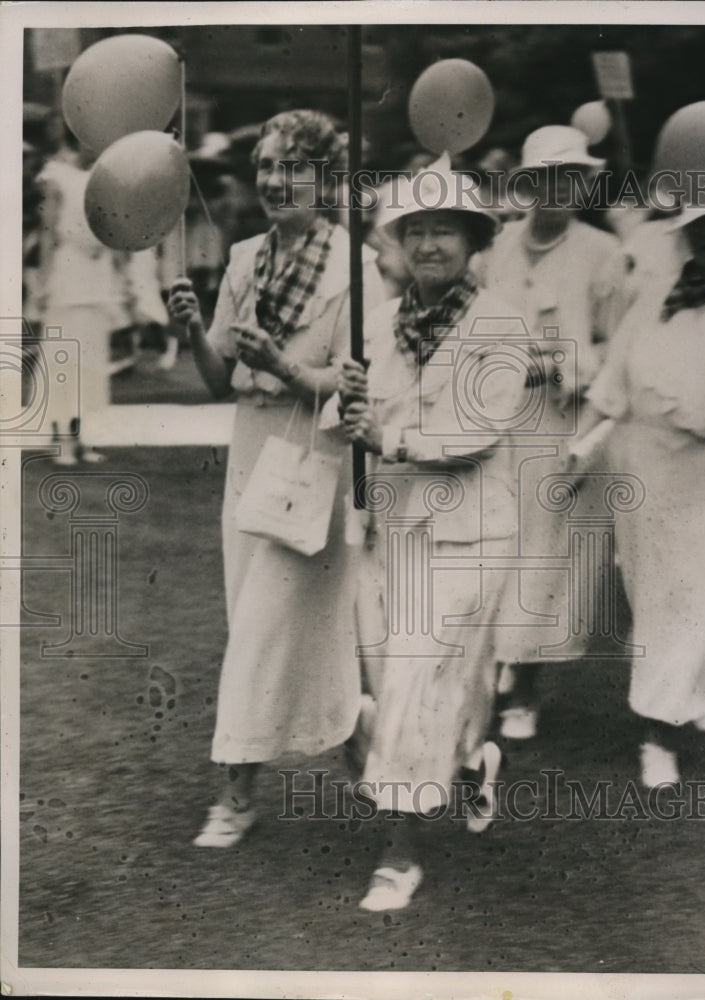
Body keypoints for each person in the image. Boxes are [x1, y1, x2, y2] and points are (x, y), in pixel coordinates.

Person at [167, 109, 385, 847]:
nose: (274, 180)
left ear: (324, 179)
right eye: (266, 167)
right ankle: (366, 745)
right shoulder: (242, 258)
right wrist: (194, 328)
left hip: (315, 468)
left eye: (292, 167)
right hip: (252, 458)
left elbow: (354, 386)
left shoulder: (352, 266)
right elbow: (216, 381)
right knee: (264, 626)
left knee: (260, 634)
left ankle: (234, 796)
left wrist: (284, 367)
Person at [339, 155, 527, 911]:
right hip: (394, 530)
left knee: (417, 682)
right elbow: (348, 421)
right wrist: (347, 403)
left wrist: (388, 439)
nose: (427, 245)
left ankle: (399, 853)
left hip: (471, 531)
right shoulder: (378, 324)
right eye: (413, 230)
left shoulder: (499, 326)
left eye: (442, 229)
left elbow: (476, 433)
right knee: (400, 688)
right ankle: (472, 759)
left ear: (472, 239)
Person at [579, 163, 705, 788]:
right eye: (701, 228)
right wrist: (578, 442)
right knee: (663, 608)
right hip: (649, 475)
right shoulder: (658, 298)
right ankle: (658, 731)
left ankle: (697, 716)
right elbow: (612, 383)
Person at [478, 125, 630, 740]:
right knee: (495, 548)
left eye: (570, 176)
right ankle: (496, 671)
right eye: (545, 177)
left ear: (584, 183)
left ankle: (527, 689)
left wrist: (564, 361)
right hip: (498, 423)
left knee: (548, 559)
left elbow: (619, 348)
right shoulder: (495, 248)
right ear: (528, 183)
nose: (558, 188)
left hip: (564, 424)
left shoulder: (603, 253)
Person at [36, 131, 132, 464]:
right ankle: (60, 438)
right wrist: (43, 284)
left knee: (90, 362)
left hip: (98, 276)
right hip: (68, 274)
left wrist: (123, 276)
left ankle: (81, 436)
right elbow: (48, 233)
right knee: (63, 358)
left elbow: (114, 227)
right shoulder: (56, 174)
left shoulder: (106, 177)